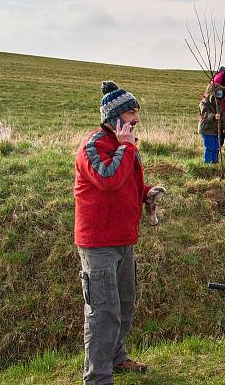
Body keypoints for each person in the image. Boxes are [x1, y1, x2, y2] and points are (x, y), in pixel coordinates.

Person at [74, 81, 166, 384]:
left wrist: (146, 193)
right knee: (103, 312)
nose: (136, 118)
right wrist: (127, 147)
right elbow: (109, 180)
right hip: (98, 243)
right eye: (130, 113)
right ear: (114, 117)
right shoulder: (93, 147)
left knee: (125, 303)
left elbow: (126, 185)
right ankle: (97, 378)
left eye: (136, 112)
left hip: (124, 240)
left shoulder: (123, 146)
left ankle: (116, 358)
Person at [199, 82, 225, 164]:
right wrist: (213, 116)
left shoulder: (219, 105)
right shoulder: (204, 103)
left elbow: (223, 117)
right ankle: (207, 163)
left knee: (216, 147)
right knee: (209, 147)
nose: (218, 100)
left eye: (220, 98)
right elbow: (205, 113)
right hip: (207, 129)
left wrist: (224, 126)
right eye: (216, 97)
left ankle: (215, 162)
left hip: (216, 130)